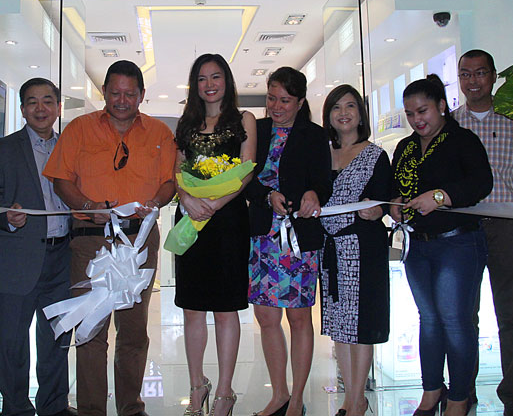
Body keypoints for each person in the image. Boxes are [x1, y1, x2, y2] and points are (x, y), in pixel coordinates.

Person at [43, 60, 176, 416]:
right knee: (91, 330)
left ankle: (131, 407)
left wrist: (157, 202)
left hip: (139, 242)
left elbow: (169, 182)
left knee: (133, 331)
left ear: (141, 95)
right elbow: (60, 179)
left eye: (129, 94)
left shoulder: (160, 134)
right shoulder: (79, 129)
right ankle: (90, 410)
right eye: (115, 93)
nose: (121, 100)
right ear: (104, 92)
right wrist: (86, 205)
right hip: (90, 241)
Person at [390, 74, 492, 416]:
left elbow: (481, 182)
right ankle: (432, 390)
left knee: (455, 320)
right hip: (417, 246)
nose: (418, 119)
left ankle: (460, 397)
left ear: (442, 107)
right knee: (429, 320)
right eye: (410, 114)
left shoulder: (461, 140)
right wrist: (394, 203)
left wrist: (440, 196)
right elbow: (395, 187)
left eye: (423, 111)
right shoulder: (404, 148)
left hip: (458, 244)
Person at [0, 78, 77, 416]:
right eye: (32, 102)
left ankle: (54, 406)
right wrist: (7, 216)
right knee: (11, 341)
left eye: (48, 101)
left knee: (56, 339)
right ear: (22, 109)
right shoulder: (4, 149)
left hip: (62, 258)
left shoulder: (70, 147)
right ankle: (17, 407)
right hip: (17, 257)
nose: (40, 108)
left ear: (58, 108)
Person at [246, 66, 332, 416]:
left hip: (298, 238)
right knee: (266, 317)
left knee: (298, 318)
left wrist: (312, 192)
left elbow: (322, 182)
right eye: (271, 98)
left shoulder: (314, 135)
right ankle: (278, 394)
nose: (276, 106)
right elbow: (245, 178)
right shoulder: (258, 130)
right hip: (262, 238)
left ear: (299, 102)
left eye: (284, 100)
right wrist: (266, 196)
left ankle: (297, 399)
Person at [174, 54, 257, 416]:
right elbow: (177, 171)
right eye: (202, 78)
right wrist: (189, 199)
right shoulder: (186, 123)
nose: (209, 84)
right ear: (195, 85)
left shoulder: (244, 120)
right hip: (191, 220)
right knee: (191, 308)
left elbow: (246, 172)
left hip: (228, 222)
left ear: (227, 81)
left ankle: (224, 391)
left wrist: (215, 203)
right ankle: (197, 385)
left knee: (225, 309)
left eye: (216, 77)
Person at [452, 50, 513, 416]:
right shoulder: (450, 124)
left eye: (480, 73)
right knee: (465, 315)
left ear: (494, 76)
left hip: (506, 226)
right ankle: (464, 391)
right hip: (465, 227)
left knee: (511, 314)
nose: (473, 81)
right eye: (465, 74)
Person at [319, 85, 391, 416]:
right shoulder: (322, 154)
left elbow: (384, 200)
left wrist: (377, 210)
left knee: (360, 325)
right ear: (329, 116)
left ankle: (358, 399)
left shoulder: (375, 155)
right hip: (331, 250)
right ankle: (350, 397)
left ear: (360, 113)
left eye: (350, 106)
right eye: (336, 107)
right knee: (339, 326)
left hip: (362, 249)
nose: (343, 113)